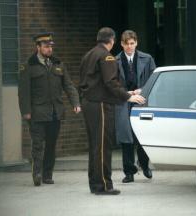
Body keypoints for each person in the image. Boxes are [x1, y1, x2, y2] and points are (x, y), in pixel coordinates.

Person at [79, 27, 145, 195]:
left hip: (89, 103)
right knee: (103, 146)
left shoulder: (89, 55)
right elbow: (110, 82)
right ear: (112, 41)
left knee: (95, 145)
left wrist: (124, 93)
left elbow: (95, 82)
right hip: (100, 105)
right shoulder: (106, 56)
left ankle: (95, 183)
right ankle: (103, 185)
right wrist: (127, 97)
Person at [18, 32, 81, 186]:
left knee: (51, 145)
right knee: (38, 145)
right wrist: (25, 111)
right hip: (37, 113)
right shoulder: (28, 66)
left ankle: (47, 174)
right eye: (46, 46)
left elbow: (68, 85)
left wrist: (76, 103)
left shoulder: (58, 64)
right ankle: (37, 173)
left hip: (55, 113)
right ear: (38, 47)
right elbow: (23, 92)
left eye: (50, 46)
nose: (49, 49)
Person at [115, 30, 156, 183]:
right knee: (127, 138)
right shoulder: (115, 60)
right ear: (122, 44)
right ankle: (129, 172)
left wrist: (142, 90)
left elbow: (154, 80)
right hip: (124, 101)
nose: (129, 47)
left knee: (143, 135)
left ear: (136, 43)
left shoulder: (148, 58)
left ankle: (144, 165)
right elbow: (113, 83)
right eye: (126, 44)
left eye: (132, 43)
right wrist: (127, 93)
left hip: (142, 101)